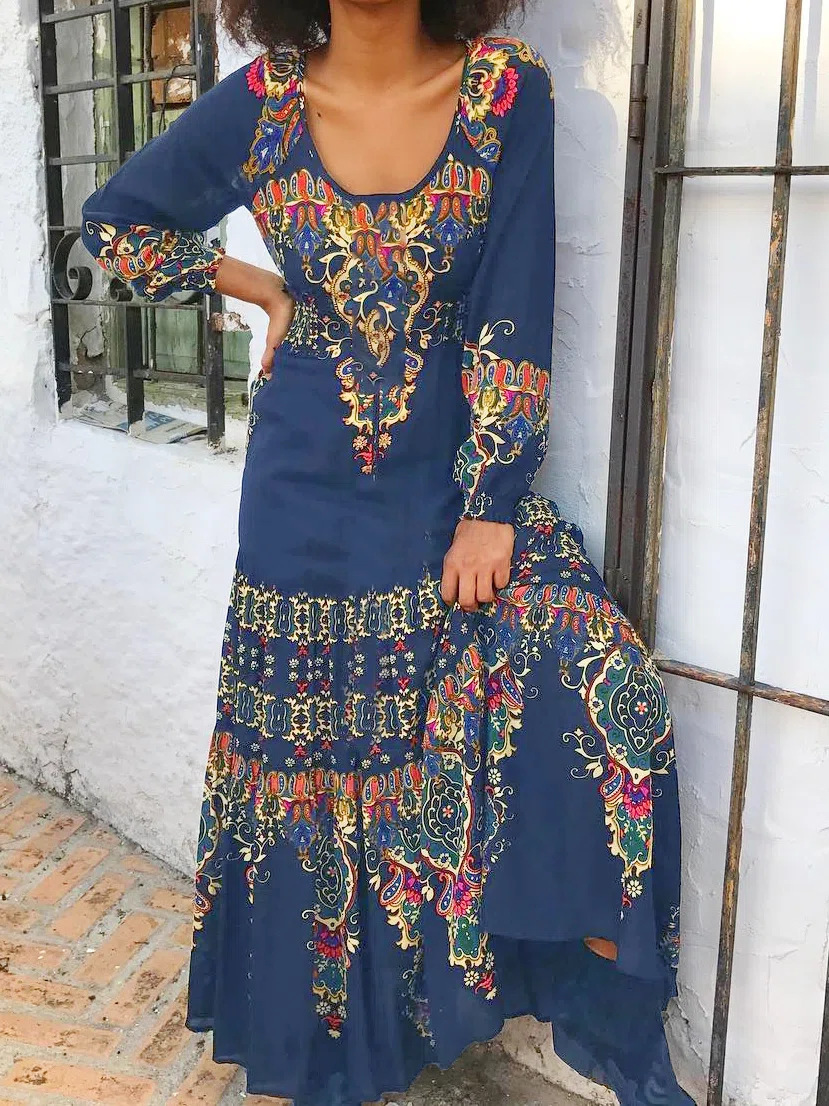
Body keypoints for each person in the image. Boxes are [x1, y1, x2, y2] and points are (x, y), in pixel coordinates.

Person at [81, 1, 692, 1103]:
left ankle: (445, 1018)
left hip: (439, 494)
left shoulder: (502, 93)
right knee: (308, 762)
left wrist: (492, 501)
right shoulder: (265, 102)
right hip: (298, 495)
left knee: (606, 696)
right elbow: (117, 223)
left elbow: (513, 303)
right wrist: (260, 286)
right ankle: (323, 1054)